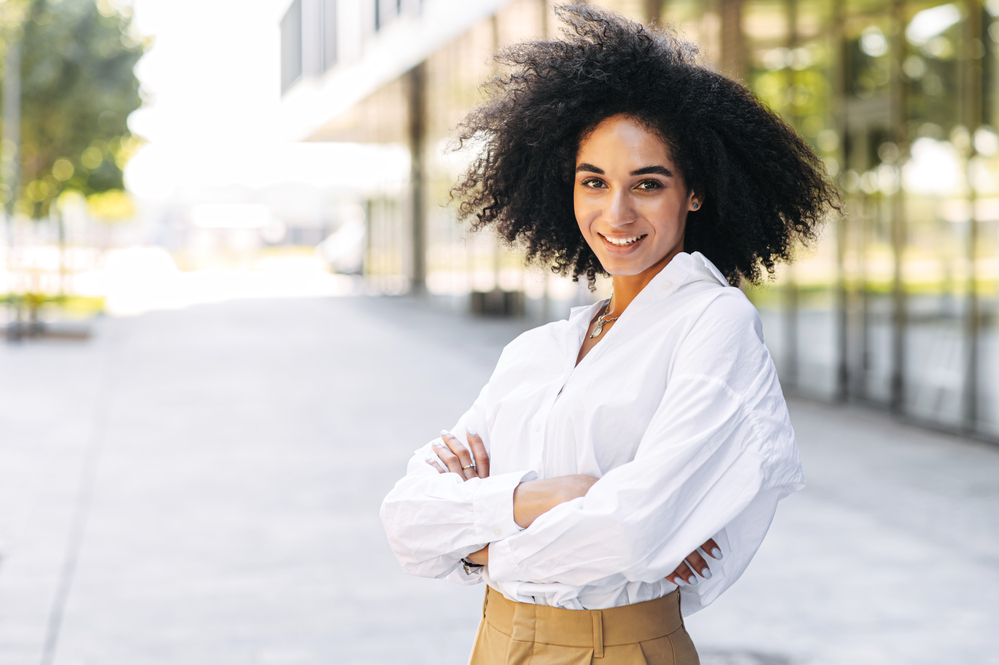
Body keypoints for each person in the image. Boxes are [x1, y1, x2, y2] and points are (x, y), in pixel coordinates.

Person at [380, 5, 839, 664]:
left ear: (694, 193)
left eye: (646, 184)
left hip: (616, 645)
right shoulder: (536, 352)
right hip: (495, 641)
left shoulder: (713, 323)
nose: (615, 212)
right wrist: (535, 496)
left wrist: (473, 538)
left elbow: (627, 533)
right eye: (592, 181)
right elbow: (405, 519)